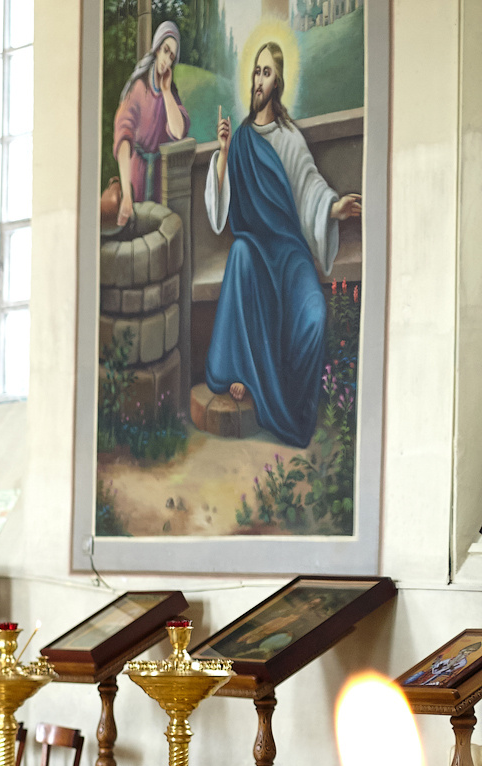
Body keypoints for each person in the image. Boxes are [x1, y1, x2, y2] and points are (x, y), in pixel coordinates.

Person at [202, 41, 362, 450]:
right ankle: (243, 373)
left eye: (267, 73)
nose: (259, 80)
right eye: (256, 72)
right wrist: (222, 155)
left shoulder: (289, 138)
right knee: (238, 254)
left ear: (279, 82)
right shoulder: (238, 142)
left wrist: (334, 208)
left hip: (288, 253)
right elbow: (220, 211)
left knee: (313, 314)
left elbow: (309, 187)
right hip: (255, 250)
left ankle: (288, 402)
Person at [112, 21, 188, 229]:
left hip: (160, 181)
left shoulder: (169, 93)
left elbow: (178, 131)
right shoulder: (138, 88)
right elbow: (123, 138)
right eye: (165, 51)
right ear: (156, 49)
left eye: (172, 56)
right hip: (136, 176)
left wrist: (165, 91)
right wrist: (127, 194)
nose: (167, 59)